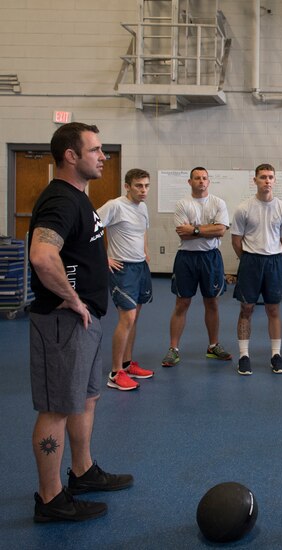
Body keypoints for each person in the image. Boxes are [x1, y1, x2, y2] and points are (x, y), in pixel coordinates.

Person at [28, 122, 133, 523]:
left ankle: (83, 472)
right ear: (70, 156)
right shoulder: (61, 199)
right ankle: (50, 498)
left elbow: (75, 246)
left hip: (85, 320)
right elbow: (42, 255)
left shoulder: (78, 198)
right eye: (95, 150)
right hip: (63, 322)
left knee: (85, 397)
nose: (103, 156)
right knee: (57, 408)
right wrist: (72, 298)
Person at [161, 167, 232, 367]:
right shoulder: (182, 204)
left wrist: (194, 229)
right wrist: (208, 229)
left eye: (204, 178)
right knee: (182, 303)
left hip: (211, 258)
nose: (201, 181)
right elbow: (182, 234)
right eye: (197, 178)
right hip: (187, 258)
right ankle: (173, 349)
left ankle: (213, 346)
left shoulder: (218, 203)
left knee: (212, 303)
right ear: (190, 182)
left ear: (208, 182)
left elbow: (221, 230)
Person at [232, 164, 282, 375]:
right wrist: (248, 259)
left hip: (274, 262)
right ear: (255, 180)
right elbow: (236, 240)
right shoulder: (244, 208)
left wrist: (273, 256)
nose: (267, 181)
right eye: (263, 177)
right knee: (246, 308)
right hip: (250, 261)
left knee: (273, 309)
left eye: (270, 177)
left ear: (274, 181)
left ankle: (276, 355)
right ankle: (243, 356)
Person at [97, 169, 155, 391]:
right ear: (127, 186)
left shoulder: (143, 207)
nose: (143, 190)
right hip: (122, 268)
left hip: (140, 267)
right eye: (139, 186)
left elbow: (143, 232)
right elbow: (90, 230)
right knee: (127, 318)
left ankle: (127, 364)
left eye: (146, 185)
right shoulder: (114, 206)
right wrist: (103, 258)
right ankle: (115, 373)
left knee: (134, 318)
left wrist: (145, 251)